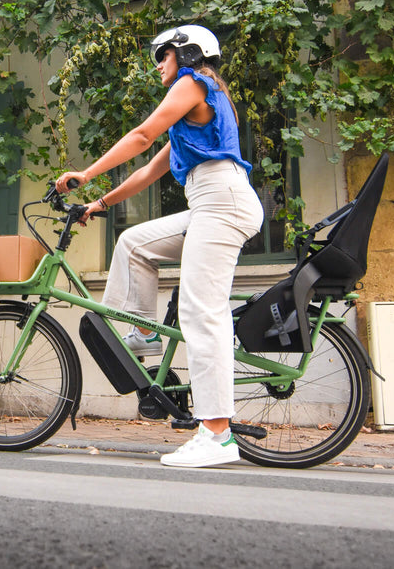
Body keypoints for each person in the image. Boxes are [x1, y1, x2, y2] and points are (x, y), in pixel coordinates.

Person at [54, 25, 264, 468]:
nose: (159, 67)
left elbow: (142, 135)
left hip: (222, 202)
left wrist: (86, 173)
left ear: (187, 53)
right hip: (209, 202)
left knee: (201, 312)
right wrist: (100, 202)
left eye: (162, 56)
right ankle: (143, 335)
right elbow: (150, 168)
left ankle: (217, 433)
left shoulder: (194, 83)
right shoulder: (192, 115)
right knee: (133, 243)